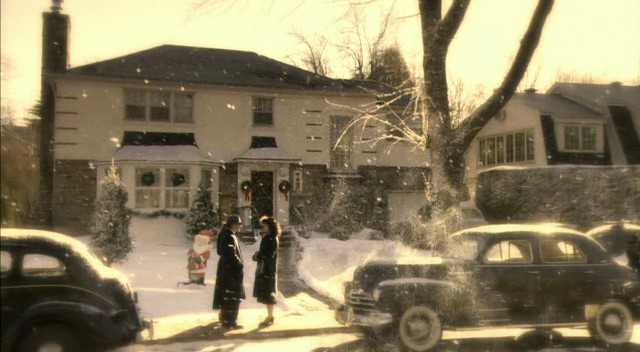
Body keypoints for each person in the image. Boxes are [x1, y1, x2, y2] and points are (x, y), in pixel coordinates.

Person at [212, 215, 245, 329]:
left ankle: (226, 318)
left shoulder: (225, 235)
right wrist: (239, 264)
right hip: (231, 271)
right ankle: (230, 321)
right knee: (232, 296)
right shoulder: (229, 236)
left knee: (226, 295)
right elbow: (231, 254)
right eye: (239, 224)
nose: (240, 226)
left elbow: (221, 252)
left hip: (225, 270)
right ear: (234, 224)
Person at [252, 216, 281, 327]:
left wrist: (258, 255)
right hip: (266, 268)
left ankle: (270, 316)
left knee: (269, 293)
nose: (263, 227)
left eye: (264, 225)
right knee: (267, 293)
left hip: (267, 269)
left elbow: (268, 254)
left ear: (270, 226)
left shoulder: (271, 238)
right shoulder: (270, 237)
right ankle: (269, 315)